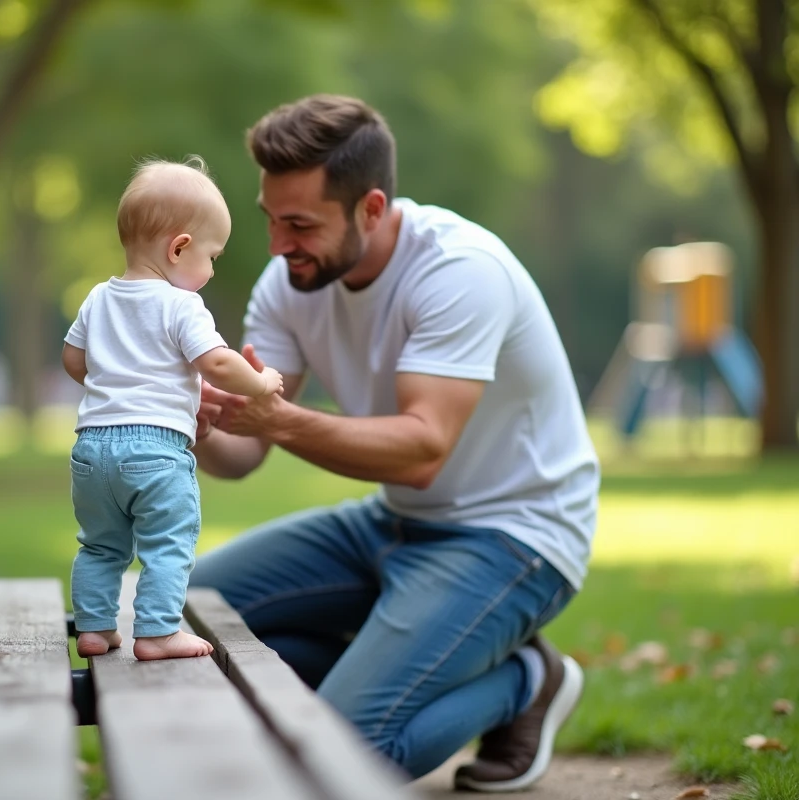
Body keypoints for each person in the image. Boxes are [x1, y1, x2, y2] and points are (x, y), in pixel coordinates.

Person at [189, 95, 599, 790]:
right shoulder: (291, 281)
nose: (278, 245)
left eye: (299, 224)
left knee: (338, 753)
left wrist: (276, 420)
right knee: (193, 613)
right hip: (396, 523)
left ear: (372, 209)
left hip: (514, 537)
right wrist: (194, 418)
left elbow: (421, 449)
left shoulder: (459, 271)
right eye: (270, 220)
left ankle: (525, 679)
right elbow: (243, 455)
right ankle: (390, 664)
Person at [63, 156, 285, 662]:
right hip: (155, 451)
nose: (210, 269)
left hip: (91, 450)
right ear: (179, 247)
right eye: (212, 256)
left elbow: (73, 359)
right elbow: (219, 364)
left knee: (100, 544)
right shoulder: (181, 304)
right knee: (168, 544)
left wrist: (111, 383)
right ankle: (159, 632)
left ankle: (95, 629)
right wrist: (261, 382)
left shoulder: (98, 298)